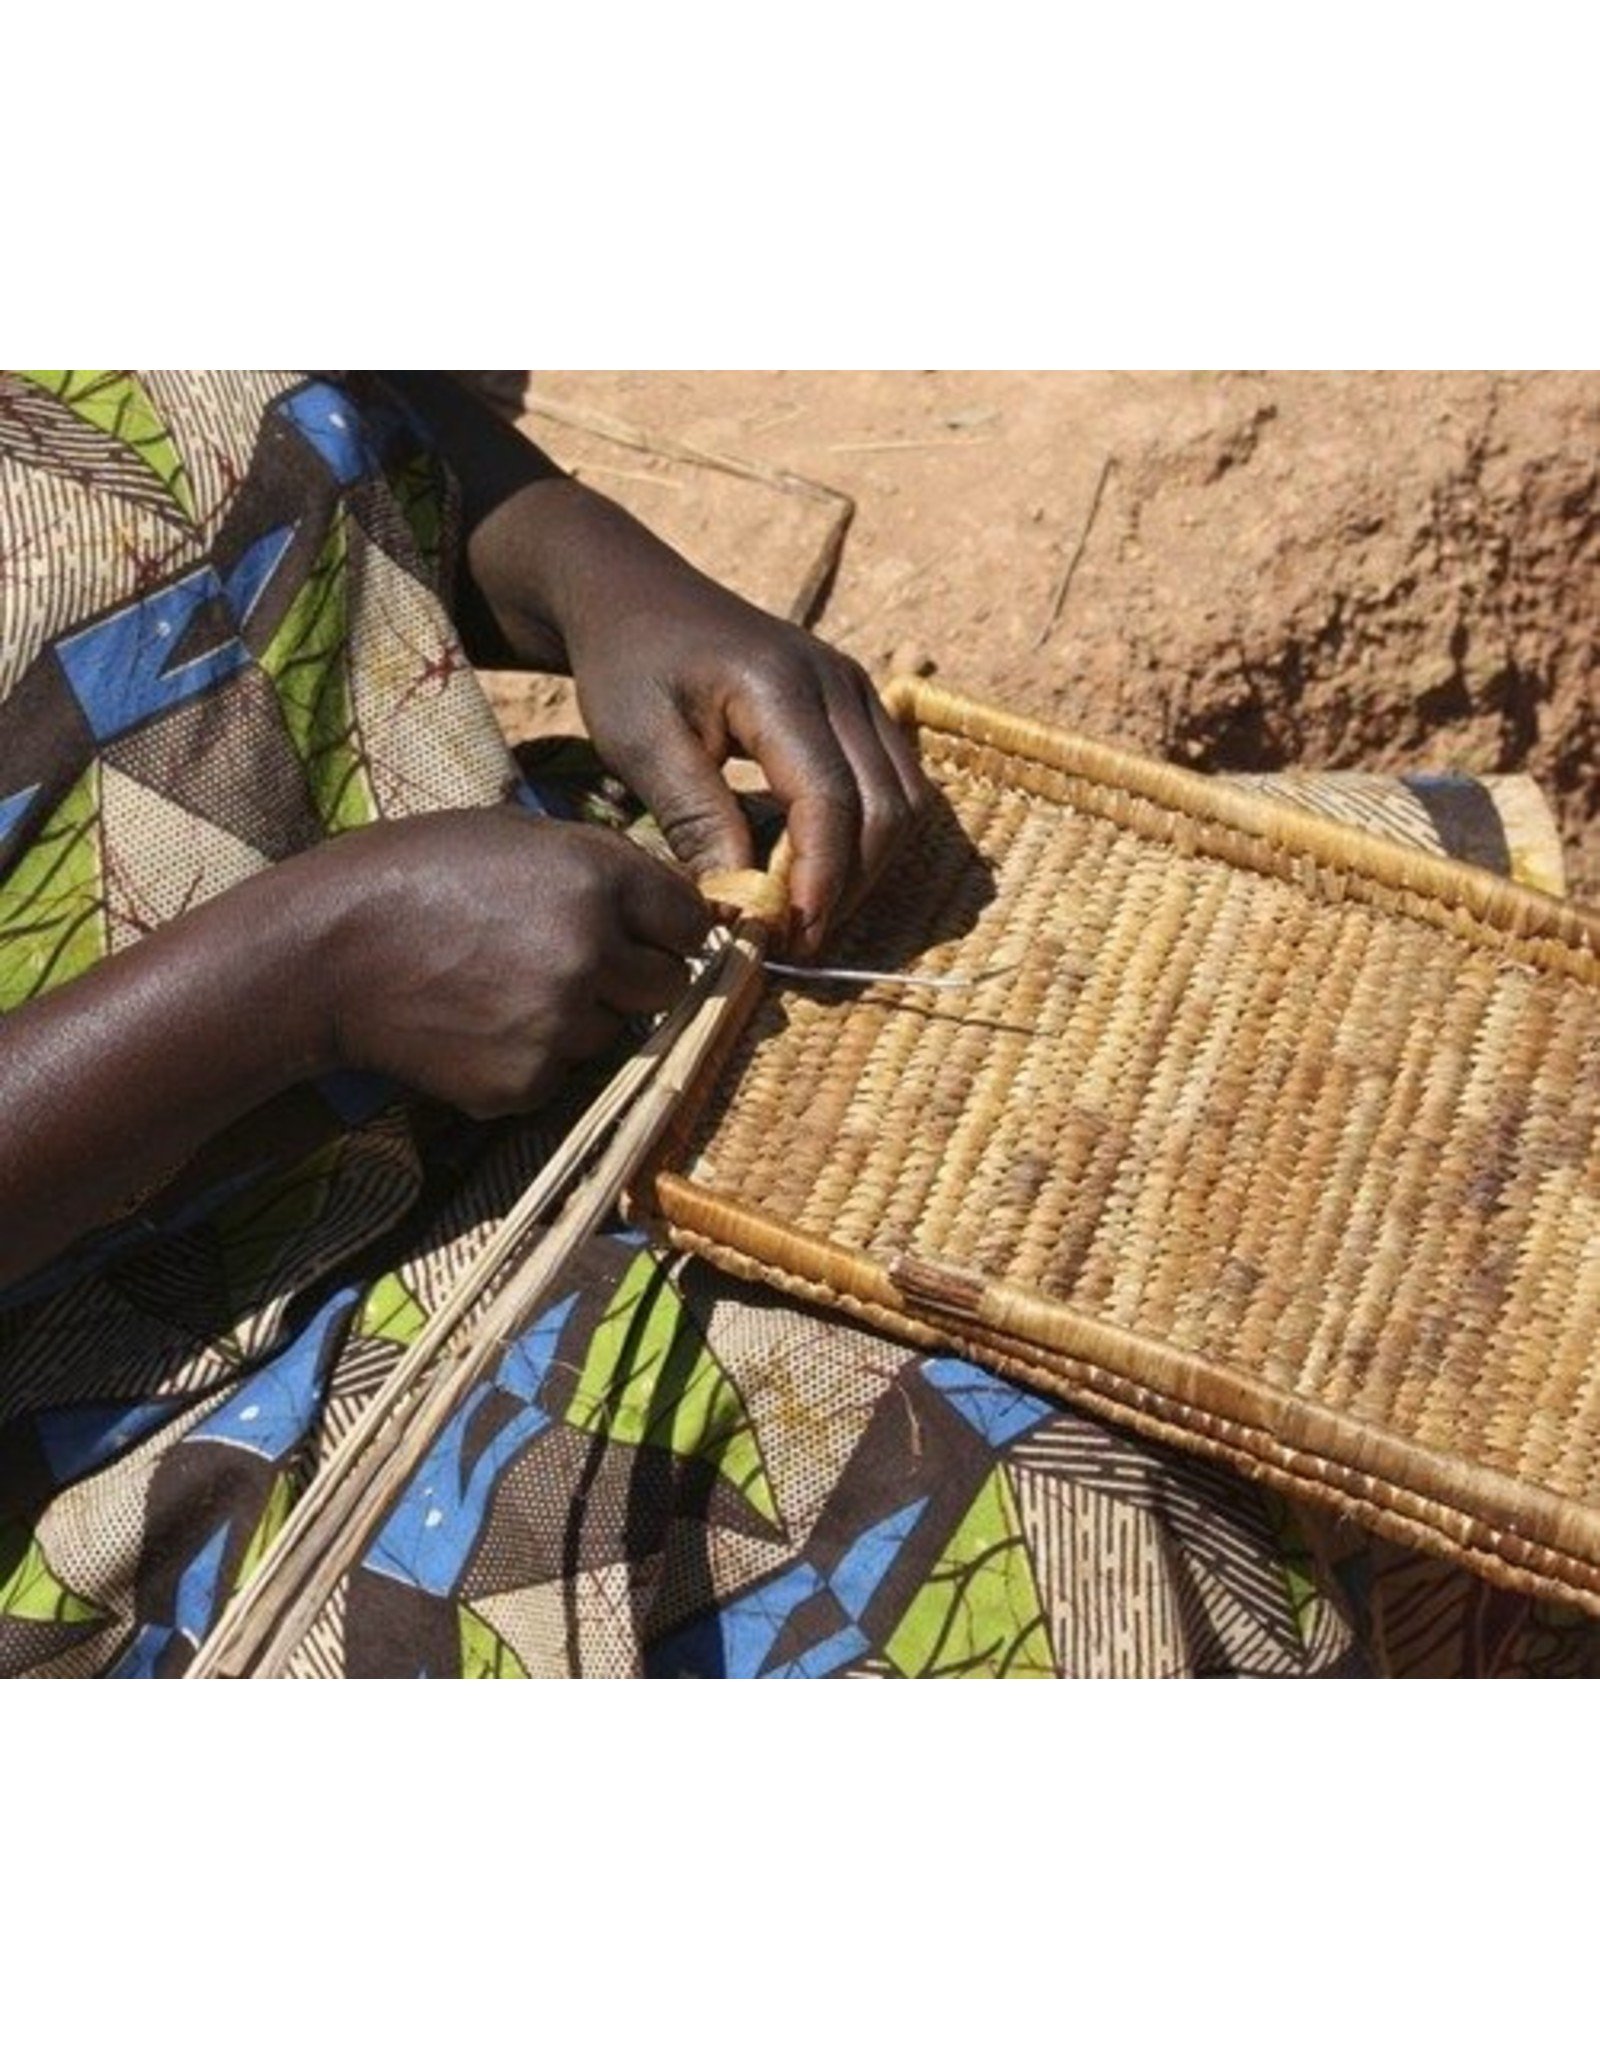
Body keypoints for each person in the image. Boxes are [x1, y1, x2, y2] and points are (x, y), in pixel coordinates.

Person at [1, 371, 1592, 1677]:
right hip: (158, 1392)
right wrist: (310, 972)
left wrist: (585, 566)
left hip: (549, 947)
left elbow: (307, 400)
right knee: (1048, 1515)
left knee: (1363, 1123)